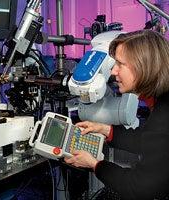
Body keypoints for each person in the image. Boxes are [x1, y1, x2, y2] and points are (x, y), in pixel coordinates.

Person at [64, 29, 169, 200]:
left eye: (120, 64)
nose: (113, 71)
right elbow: (152, 141)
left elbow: (139, 188)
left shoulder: (163, 116)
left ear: (144, 66)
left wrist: (95, 164)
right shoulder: (160, 102)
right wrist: (107, 130)